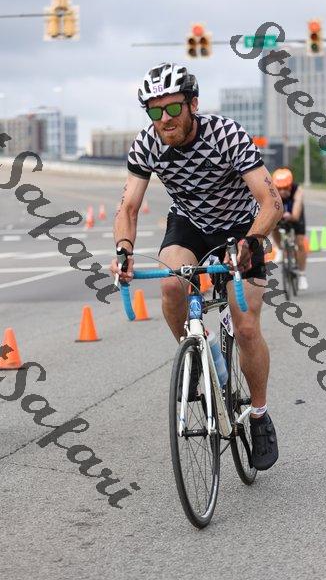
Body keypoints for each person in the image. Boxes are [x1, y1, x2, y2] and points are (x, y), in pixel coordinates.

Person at [110, 62, 282, 471]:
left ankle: (259, 415)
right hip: (190, 224)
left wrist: (251, 242)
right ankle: (194, 353)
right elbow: (128, 207)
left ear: (193, 104)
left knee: (245, 327)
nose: (164, 119)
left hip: (241, 227)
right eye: (155, 111)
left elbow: (271, 202)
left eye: (172, 108)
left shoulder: (226, 134)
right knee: (172, 285)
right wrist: (123, 250)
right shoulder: (147, 143)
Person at [271, 168, 308, 290]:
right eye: (279, 188)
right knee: (273, 225)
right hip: (280, 213)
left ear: (291, 185)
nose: (282, 191)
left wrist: (290, 216)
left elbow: (296, 215)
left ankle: (302, 275)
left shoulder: (298, 191)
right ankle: (280, 249)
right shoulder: (271, 191)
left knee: (300, 243)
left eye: (285, 188)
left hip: (294, 214)